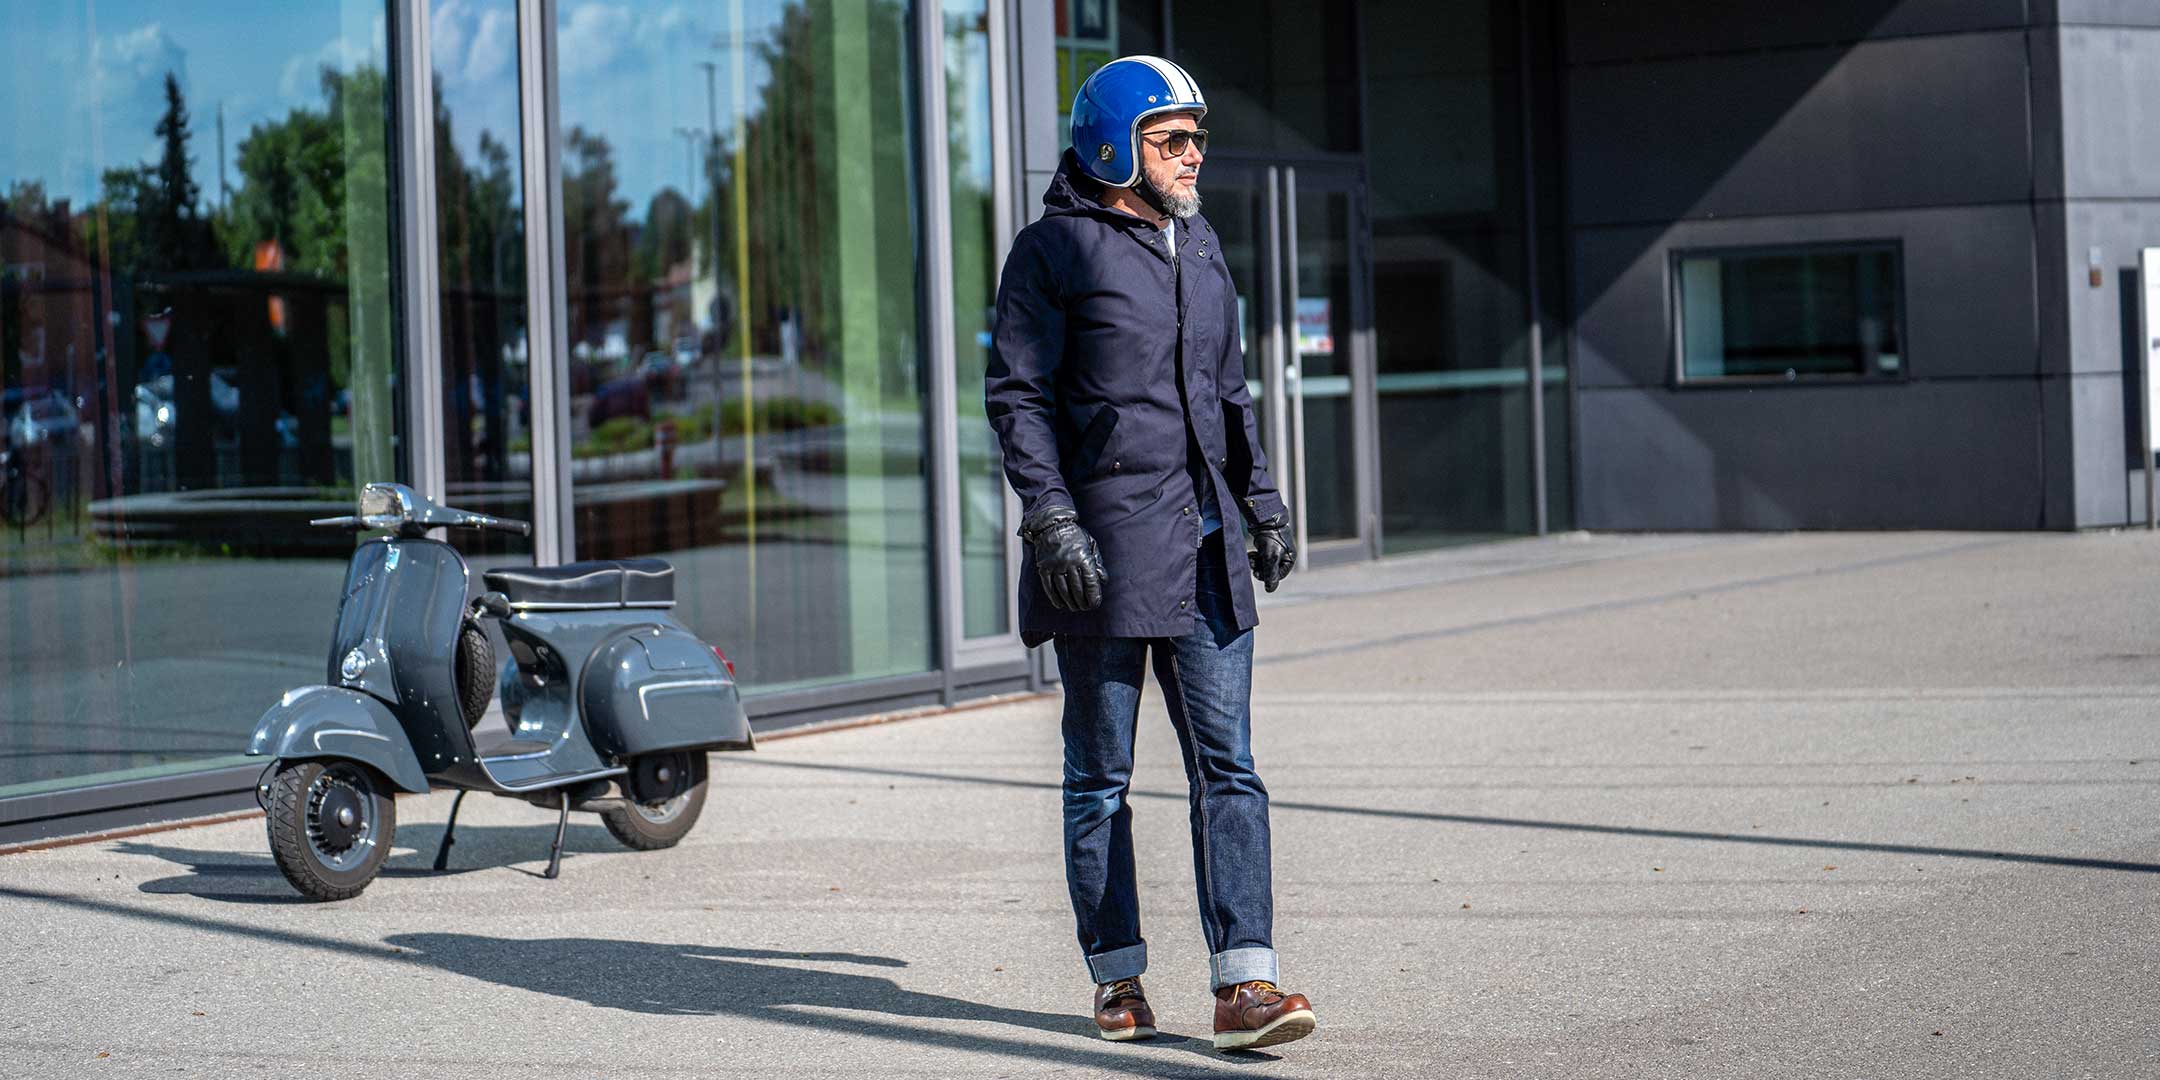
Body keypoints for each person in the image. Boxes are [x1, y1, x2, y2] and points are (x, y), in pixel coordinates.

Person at [984, 55, 1313, 1052]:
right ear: (1114, 145)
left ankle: (1243, 986)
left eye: (1195, 138)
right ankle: (1118, 976)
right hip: (1103, 556)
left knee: (1232, 769)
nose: (1192, 155)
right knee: (1101, 779)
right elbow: (1019, 396)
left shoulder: (1200, 245)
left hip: (1206, 548)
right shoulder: (1052, 253)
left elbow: (1229, 391)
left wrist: (1261, 500)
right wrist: (1050, 519)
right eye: (1172, 139)